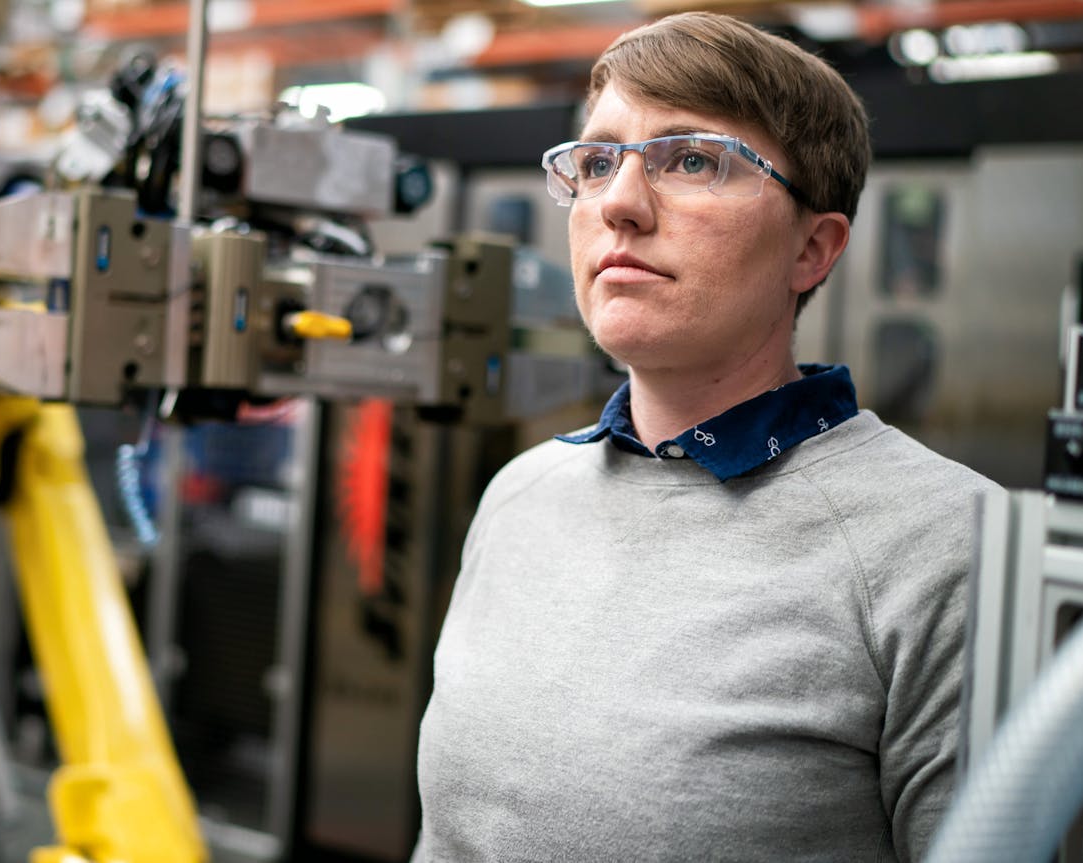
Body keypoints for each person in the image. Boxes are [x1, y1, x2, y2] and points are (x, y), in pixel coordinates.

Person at [412, 11, 1002, 863]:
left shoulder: (945, 547)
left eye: (692, 160)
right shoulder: (521, 495)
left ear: (813, 248)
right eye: (599, 160)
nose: (618, 204)